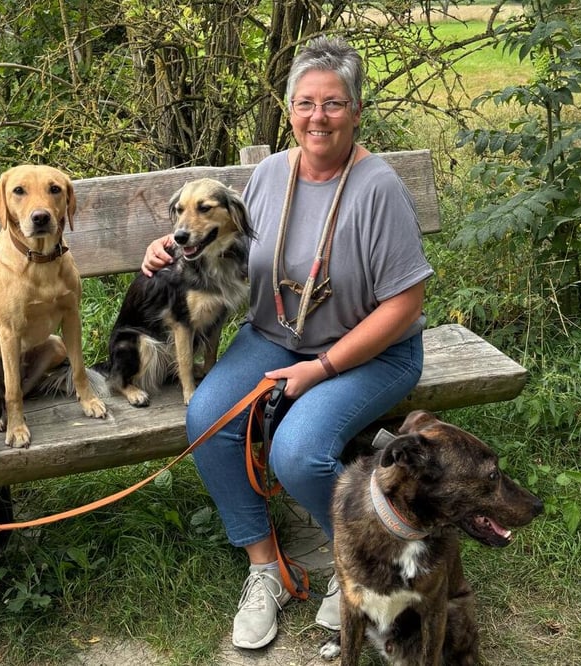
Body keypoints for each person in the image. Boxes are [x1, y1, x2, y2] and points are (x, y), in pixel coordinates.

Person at [141, 35, 433, 650]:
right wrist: (172, 250)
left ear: (355, 110)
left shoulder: (378, 188)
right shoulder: (272, 174)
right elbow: (224, 244)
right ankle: (266, 567)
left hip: (368, 352)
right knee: (206, 414)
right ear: (291, 107)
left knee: (297, 451)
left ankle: (356, 558)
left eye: (332, 104)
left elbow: (407, 302)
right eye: (305, 103)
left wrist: (321, 369)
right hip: (277, 335)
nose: (317, 117)